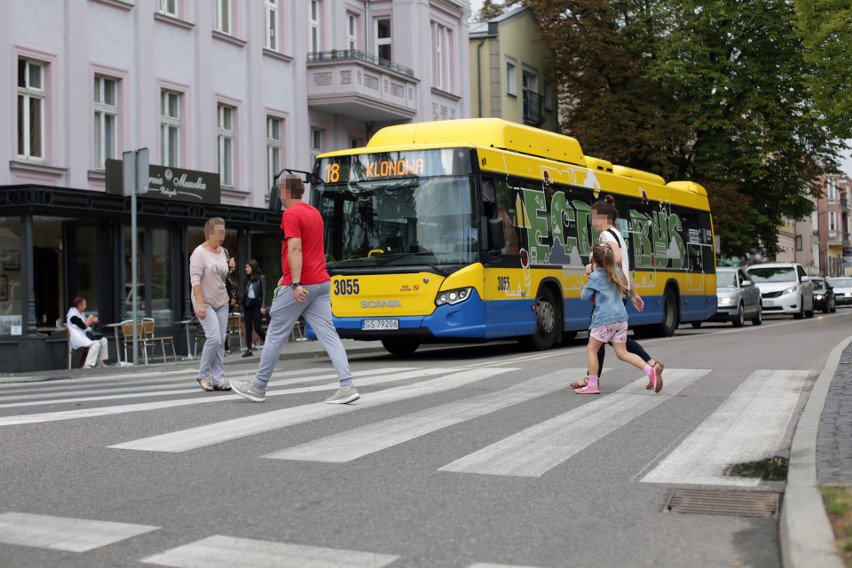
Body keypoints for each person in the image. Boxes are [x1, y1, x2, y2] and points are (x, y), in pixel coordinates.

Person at [230, 175, 359, 404]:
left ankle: (258, 387)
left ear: (285, 192)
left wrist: (295, 282)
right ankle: (347, 386)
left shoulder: (291, 214)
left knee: (275, 333)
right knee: (329, 335)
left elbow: (296, 249)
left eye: (279, 191)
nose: (278, 195)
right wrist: (288, 275)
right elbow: (312, 249)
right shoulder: (314, 212)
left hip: (302, 284)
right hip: (321, 282)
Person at [570, 196, 664, 392]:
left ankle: (592, 380)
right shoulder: (618, 234)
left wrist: (594, 266)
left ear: (603, 217)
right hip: (619, 291)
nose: (592, 221)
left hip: (608, 294)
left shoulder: (606, 235)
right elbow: (623, 268)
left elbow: (617, 260)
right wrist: (633, 293)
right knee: (615, 342)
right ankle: (650, 366)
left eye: (594, 217)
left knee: (596, 340)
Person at [575, 242, 661, 394]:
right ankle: (650, 371)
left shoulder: (595, 276)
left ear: (595, 259)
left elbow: (585, 296)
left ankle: (593, 384)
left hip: (604, 319)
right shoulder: (616, 271)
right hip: (621, 318)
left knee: (592, 349)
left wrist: (589, 274)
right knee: (622, 353)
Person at [189, 217, 232, 391]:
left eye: (224, 231)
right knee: (213, 338)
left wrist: (231, 267)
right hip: (204, 301)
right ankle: (203, 375)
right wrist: (200, 302)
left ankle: (218, 379)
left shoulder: (224, 252)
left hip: (222, 300)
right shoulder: (199, 252)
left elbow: (221, 276)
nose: (222, 235)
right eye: (219, 232)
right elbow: (195, 279)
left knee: (221, 340)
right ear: (210, 233)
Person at [66, 296, 109, 368]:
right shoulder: (73, 316)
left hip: (84, 336)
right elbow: (83, 326)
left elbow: (86, 322)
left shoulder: (80, 314)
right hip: (77, 338)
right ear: (80, 305)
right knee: (96, 344)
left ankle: (101, 362)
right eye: (84, 304)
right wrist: (90, 317)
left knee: (104, 340)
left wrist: (93, 320)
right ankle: (87, 364)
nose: (86, 306)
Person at [241, 259, 267, 357]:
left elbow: (264, 293)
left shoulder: (261, 278)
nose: (246, 269)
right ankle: (249, 349)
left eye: (247, 267)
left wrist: (263, 306)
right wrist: (242, 304)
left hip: (257, 305)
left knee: (257, 328)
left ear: (253, 267)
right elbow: (245, 293)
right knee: (248, 328)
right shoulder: (247, 280)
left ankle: (268, 342)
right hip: (248, 305)